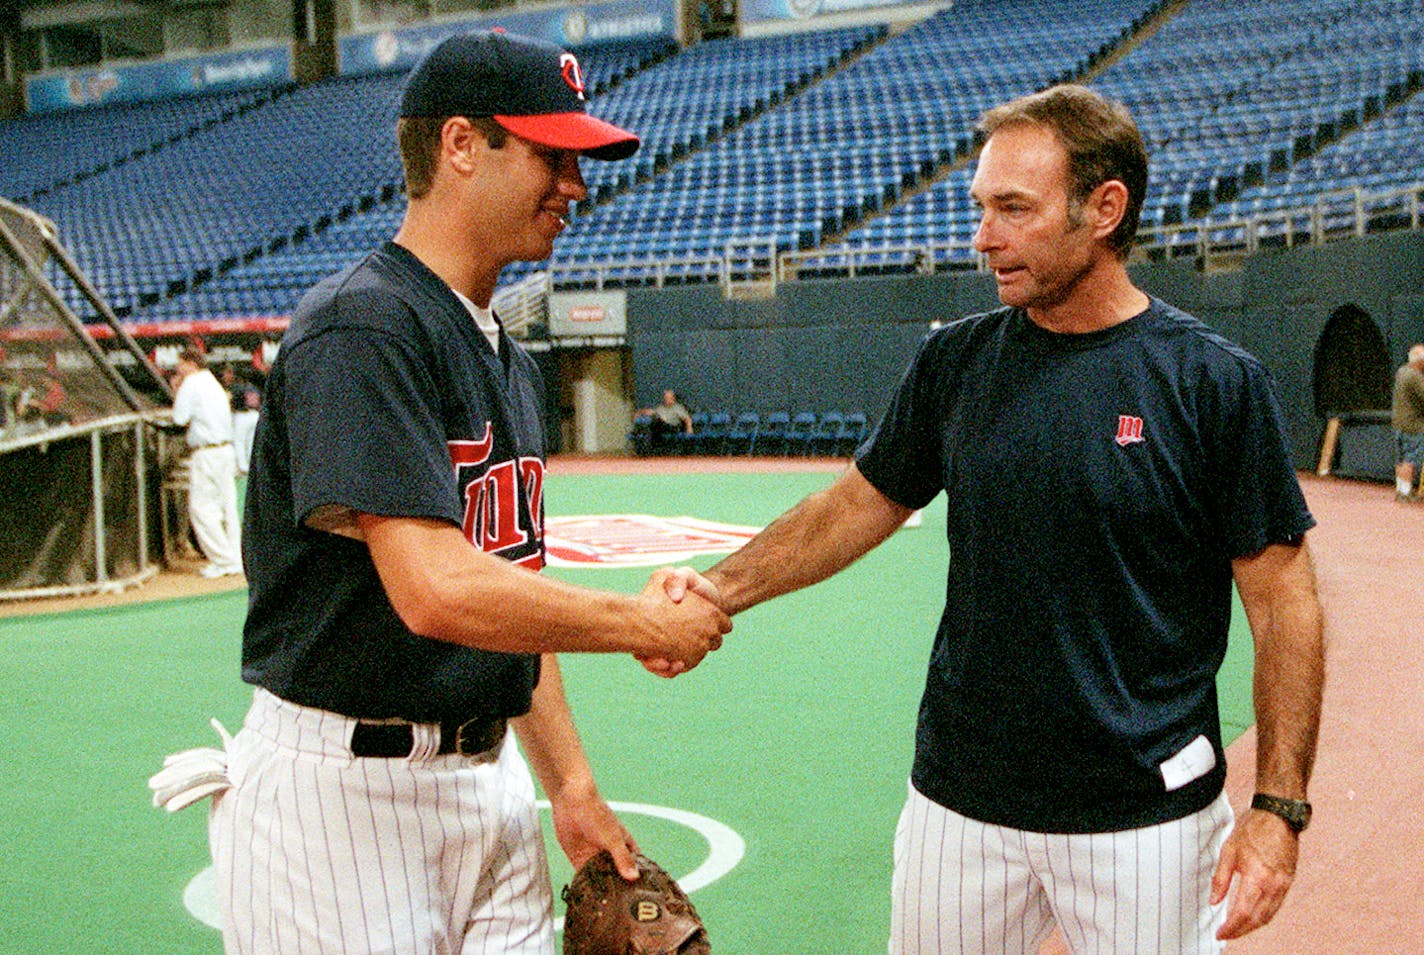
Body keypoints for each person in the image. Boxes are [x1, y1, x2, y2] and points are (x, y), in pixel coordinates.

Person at [660, 84, 1325, 953]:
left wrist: (1277, 808)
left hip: (1143, 814)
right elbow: (855, 505)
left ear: (1104, 209)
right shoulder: (957, 361)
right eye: (981, 207)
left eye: (1014, 209)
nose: (983, 237)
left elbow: (1285, 602)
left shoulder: (1211, 382)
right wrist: (717, 589)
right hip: (960, 803)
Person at [210, 30, 730, 955]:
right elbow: (437, 589)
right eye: (551, 153)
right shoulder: (363, 326)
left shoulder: (509, 360)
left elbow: (509, 593)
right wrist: (641, 624)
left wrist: (568, 784)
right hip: (344, 802)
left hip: (486, 788)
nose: (575, 184)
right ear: (459, 146)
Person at [170, 346, 243, 577]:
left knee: (201, 508)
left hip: (207, 453)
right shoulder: (212, 381)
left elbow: (179, 418)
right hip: (225, 449)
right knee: (228, 508)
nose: (177, 368)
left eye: (180, 364)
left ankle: (223, 560)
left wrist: (176, 390)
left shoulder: (191, 383)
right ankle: (236, 559)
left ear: (190, 363)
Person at [1392, 343, 1424, 500]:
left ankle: (1400, 490)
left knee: (1400, 459)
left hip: (1399, 423)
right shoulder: (1415, 376)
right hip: (1413, 425)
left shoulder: (1401, 371)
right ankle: (1405, 493)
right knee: (1410, 460)